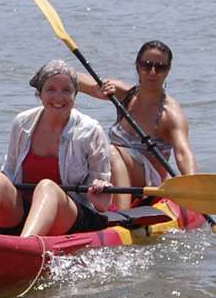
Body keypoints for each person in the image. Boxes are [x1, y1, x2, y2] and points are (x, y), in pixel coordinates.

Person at [0, 60, 115, 236]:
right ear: (40, 94)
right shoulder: (22, 122)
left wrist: (98, 189)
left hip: (71, 216)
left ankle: (25, 247)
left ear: (75, 94)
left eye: (66, 90)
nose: (58, 97)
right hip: (22, 212)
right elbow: (8, 175)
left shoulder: (91, 130)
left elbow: (103, 204)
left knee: (47, 187)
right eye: (50, 89)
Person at [80, 40, 197, 209]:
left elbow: (183, 153)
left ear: (168, 71)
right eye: (147, 65)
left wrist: (193, 185)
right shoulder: (123, 94)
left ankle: (123, 212)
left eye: (160, 67)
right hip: (115, 167)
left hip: (149, 180)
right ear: (137, 66)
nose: (153, 72)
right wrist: (92, 88)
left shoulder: (170, 113)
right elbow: (79, 81)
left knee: (111, 151)